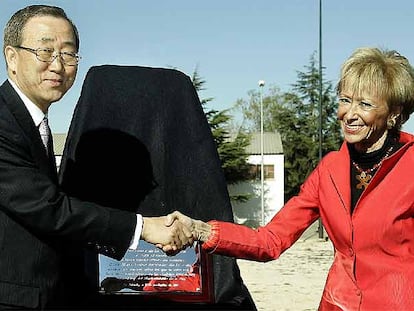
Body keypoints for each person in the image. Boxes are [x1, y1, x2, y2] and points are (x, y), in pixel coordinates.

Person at [168, 47, 414, 310]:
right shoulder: (329, 169)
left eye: (364, 104)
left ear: (394, 113)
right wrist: (200, 230)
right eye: (345, 100)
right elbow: (270, 240)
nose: (349, 114)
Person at [0, 5, 192, 310]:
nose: (58, 66)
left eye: (68, 54)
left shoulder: (31, 122)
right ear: (12, 57)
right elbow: (48, 208)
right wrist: (144, 228)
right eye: (45, 52)